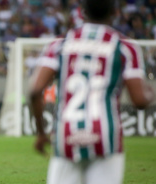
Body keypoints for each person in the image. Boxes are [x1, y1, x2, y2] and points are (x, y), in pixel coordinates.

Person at [29, 0, 154, 184]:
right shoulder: (126, 47)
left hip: (67, 136)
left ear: (82, 12)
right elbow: (140, 101)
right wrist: (151, 92)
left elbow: (35, 91)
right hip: (105, 138)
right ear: (114, 12)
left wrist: (41, 133)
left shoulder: (59, 45)